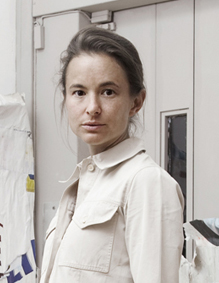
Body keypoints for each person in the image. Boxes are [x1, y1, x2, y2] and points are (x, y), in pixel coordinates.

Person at [40, 27, 184, 283]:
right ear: (66, 98)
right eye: (79, 92)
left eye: (108, 92)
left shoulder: (146, 182)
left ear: (136, 102)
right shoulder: (82, 184)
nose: (92, 108)